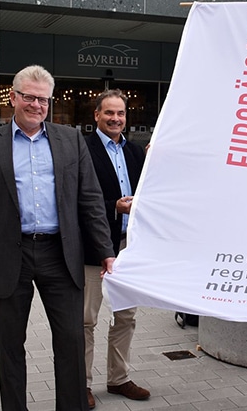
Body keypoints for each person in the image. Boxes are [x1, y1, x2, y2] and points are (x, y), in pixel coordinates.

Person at [0, 65, 115, 411]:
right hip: (6, 258)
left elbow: (89, 199)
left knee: (72, 341)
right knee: (11, 346)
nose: (36, 105)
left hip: (60, 254)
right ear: (13, 97)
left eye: (43, 99)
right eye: (29, 97)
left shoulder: (70, 139)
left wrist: (105, 250)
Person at [83, 89, 149, 408]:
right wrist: (115, 208)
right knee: (86, 318)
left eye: (120, 114)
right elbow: (79, 200)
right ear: (96, 115)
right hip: (95, 246)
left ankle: (119, 378)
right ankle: (81, 384)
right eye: (109, 113)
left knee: (126, 317)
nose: (115, 119)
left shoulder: (136, 153)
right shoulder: (82, 149)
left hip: (129, 248)